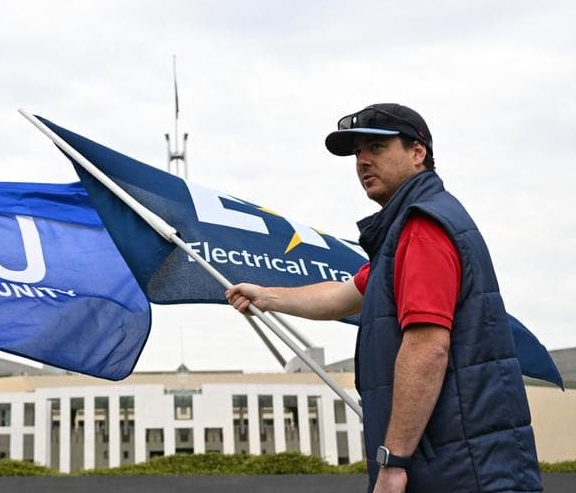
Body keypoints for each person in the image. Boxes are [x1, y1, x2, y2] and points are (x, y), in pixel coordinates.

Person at [225, 104, 541, 493]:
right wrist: (267, 297)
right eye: (358, 152)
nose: (362, 161)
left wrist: (393, 462)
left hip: (456, 468)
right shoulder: (405, 231)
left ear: (417, 152)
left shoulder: (422, 227)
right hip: (457, 460)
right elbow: (344, 295)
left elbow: (427, 348)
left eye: (376, 147)